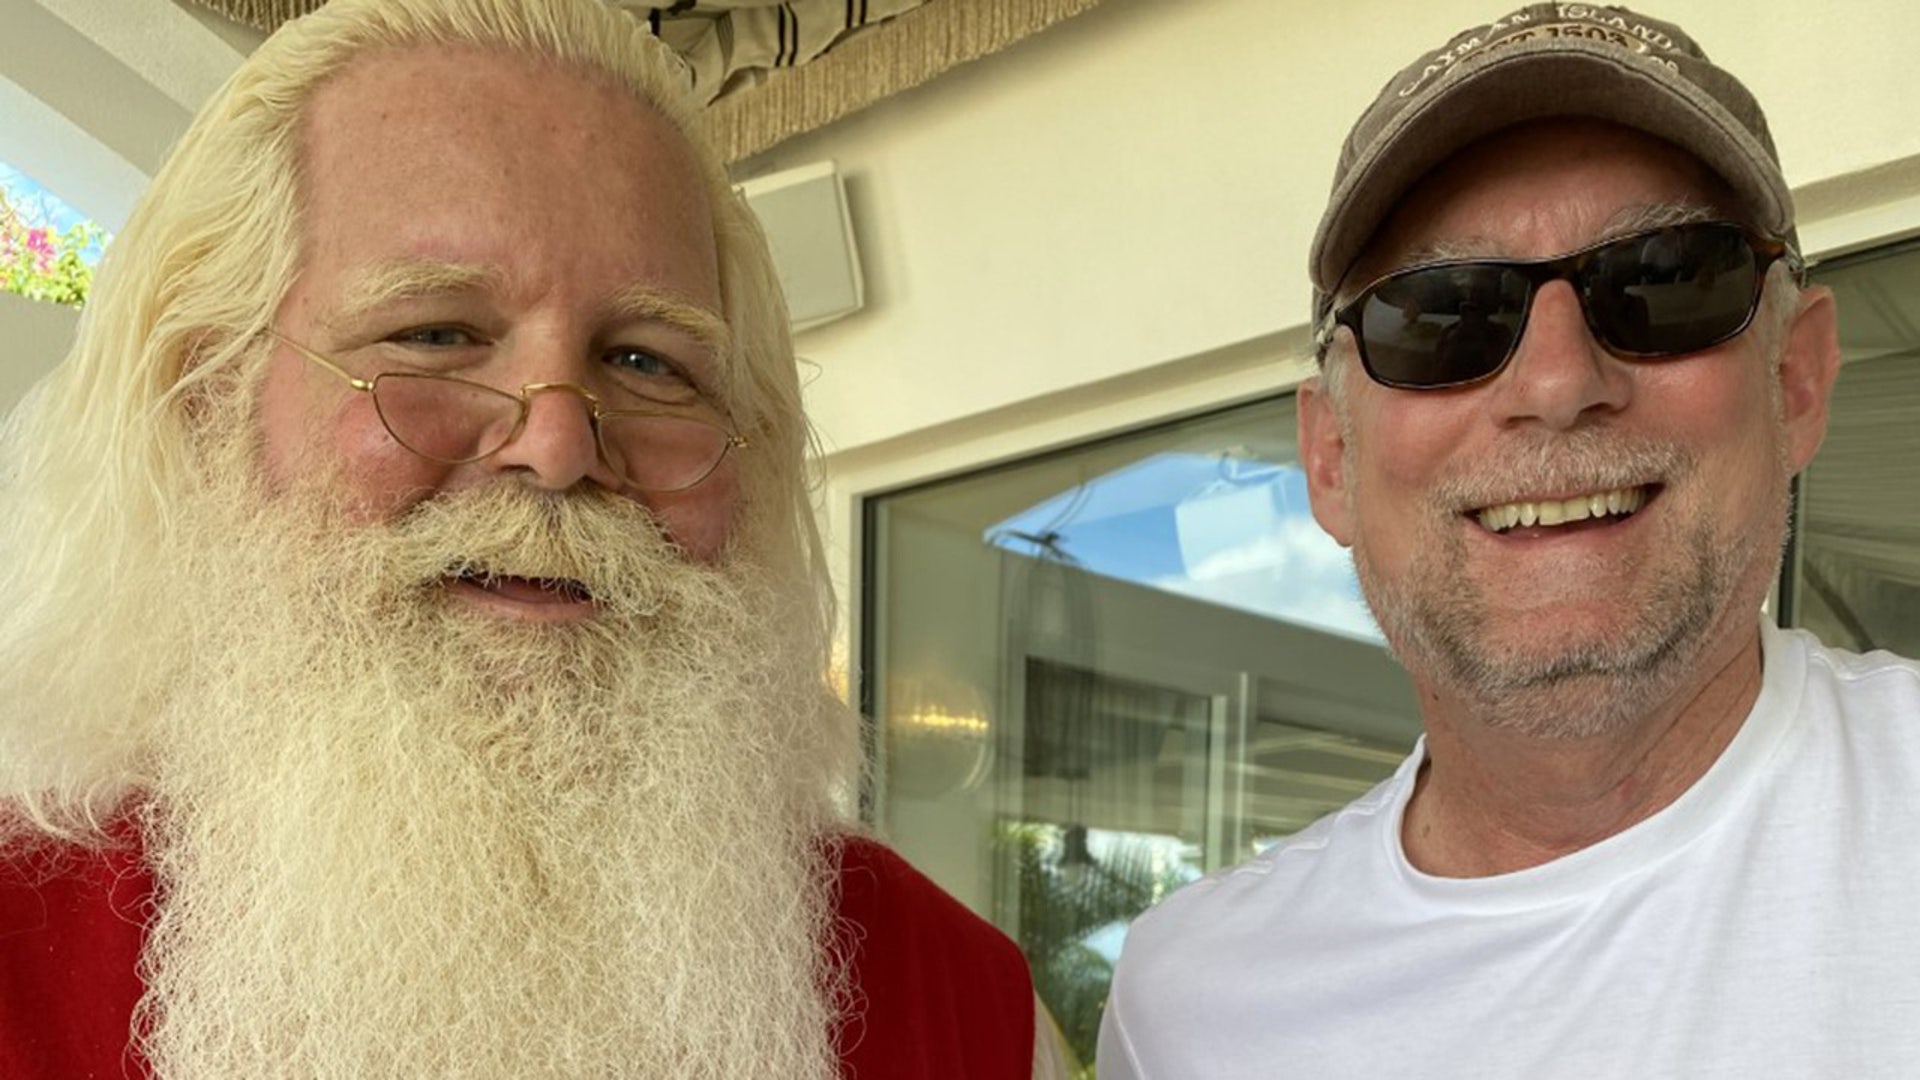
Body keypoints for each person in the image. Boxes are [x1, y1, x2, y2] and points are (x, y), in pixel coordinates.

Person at [0, 1, 1062, 1076]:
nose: (558, 444)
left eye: (649, 362)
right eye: (436, 335)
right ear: (207, 403)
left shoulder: (967, 1005)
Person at [1100, 5, 1920, 1077]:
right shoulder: (1190, 1009)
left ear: (1797, 379)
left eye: (1664, 279)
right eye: (1442, 314)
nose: (1557, 383)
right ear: (1331, 460)